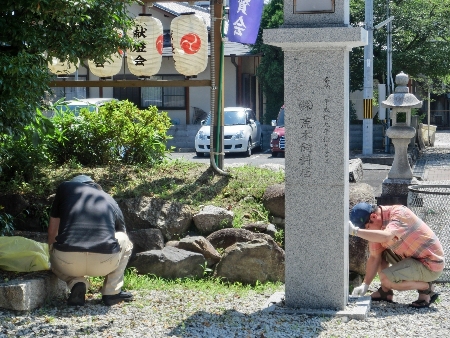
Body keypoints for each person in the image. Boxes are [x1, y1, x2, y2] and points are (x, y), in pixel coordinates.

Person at [48, 175, 134, 306]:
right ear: (95, 186)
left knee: (53, 248)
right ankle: (112, 292)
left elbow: (52, 231)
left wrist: (51, 254)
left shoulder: (65, 188)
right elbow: (123, 233)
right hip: (104, 262)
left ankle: (77, 282)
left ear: (74, 184)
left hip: (67, 261)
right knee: (125, 239)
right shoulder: (109, 199)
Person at [349, 202, 445, 308]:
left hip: (430, 265)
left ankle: (426, 288)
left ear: (374, 216)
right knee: (381, 252)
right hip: (414, 259)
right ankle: (385, 292)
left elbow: (386, 236)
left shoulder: (399, 213)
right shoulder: (377, 226)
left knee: (386, 279)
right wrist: (365, 285)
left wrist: (355, 231)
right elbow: (374, 256)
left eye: (367, 228)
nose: (368, 232)